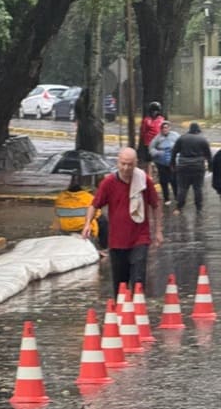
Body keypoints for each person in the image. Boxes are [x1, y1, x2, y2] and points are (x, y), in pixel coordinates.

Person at [82, 147, 163, 295]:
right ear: (117, 162)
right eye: (123, 164)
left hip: (140, 238)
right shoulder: (109, 183)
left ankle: (138, 313)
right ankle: (122, 315)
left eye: (130, 164)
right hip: (117, 242)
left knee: (138, 281)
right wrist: (87, 223)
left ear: (136, 163)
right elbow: (94, 205)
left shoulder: (143, 180)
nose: (126, 168)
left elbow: (156, 205)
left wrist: (158, 231)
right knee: (120, 286)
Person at [53, 173, 104, 255]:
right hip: (84, 231)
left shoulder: (60, 197)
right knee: (102, 220)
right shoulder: (88, 197)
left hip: (65, 230)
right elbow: (97, 214)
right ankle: (104, 246)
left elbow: (56, 212)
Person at [170, 122, 211, 215]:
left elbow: (174, 152)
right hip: (198, 167)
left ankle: (179, 207)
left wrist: (172, 164)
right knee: (198, 188)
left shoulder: (182, 138)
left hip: (183, 167)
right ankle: (199, 209)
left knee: (182, 188)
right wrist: (210, 167)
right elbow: (209, 155)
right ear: (198, 130)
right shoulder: (202, 139)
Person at [148, 120, 178, 205]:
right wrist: (158, 153)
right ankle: (166, 198)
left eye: (166, 127)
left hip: (173, 162)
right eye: (163, 128)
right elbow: (151, 148)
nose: (165, 129)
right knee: (164, 181)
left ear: (169, 128)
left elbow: (181, 145)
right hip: (161, 163)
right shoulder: (157, 138)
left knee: (174, 180)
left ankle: (177, 196)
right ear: (161, 129)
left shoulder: (175, 136)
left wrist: (178, 154)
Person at [137, 101, 165, 170]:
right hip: (149, 143)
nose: (154, 113)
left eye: (156, 111)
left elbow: (163, 130)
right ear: (150, 111)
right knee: (149, 160)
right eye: (153, 111)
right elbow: (143, 131)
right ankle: (150, 175)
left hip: (159, 143)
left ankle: (157, 171)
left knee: (158, 158)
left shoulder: (161, 119)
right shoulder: (146, 120)